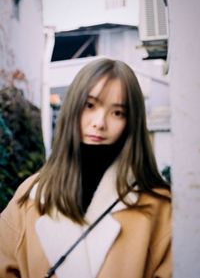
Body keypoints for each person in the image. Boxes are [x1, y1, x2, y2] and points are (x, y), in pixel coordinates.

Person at [0, 58, 172, 278]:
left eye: (117, 112)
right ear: (73, 107)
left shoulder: (158, 205)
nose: (99, 122)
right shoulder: (30, 196)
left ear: (132, 122)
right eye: (90, 105)